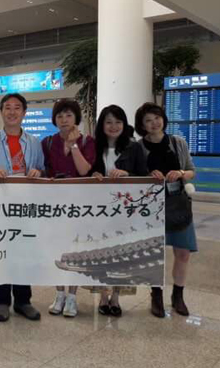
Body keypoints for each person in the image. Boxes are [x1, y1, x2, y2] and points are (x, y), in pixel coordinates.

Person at [0, 93, 43, 322]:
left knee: (24, 253)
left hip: (26, 207)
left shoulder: (34, 142)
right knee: (1, 252)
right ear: (1, 112)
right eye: (8, 108)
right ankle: (2, 301)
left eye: (17, 108)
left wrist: (38, 172)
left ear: (24, 113)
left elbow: (42, 169)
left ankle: (23, 301)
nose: (12, 112)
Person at [135, 102, 196, 318]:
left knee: (183, 253)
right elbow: (133, 177)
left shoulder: (178, 142)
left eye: (157, 118)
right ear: (142, 125)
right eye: (148, 120)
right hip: (151, 207)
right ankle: (156, 295)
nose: (154, 123)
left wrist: (180, 173)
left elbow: (191, 171)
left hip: (178, 204)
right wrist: (147, 177)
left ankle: (178, 296)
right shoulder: (138, 147)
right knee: (154, 253)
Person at [91, 105, 149, 317]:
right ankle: (102, 296)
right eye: (108, 122)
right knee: (100, 253)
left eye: (118, 122)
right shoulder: (94, 146)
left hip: (124, 211)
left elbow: (144, 176)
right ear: (102, 125)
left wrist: (127, 174)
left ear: (124, 124)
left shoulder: (133, 147)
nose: (113, 126)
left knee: (121, 254)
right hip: (98, 210)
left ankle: (115, 296)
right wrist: (93, 174)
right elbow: (87, 171)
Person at [42, 99, 95, 318]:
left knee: (76, 250)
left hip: (79, 205)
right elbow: (44, 171)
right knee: (57, 249)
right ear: (54, 119)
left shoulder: (87, 141)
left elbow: (83, 170)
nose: (64, 120)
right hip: (54, 204)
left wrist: (73, 145)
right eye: (60, 116)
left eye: (69, 115)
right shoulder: (48, 142)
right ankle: (59, 293)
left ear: (76, 118)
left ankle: (72, 296)